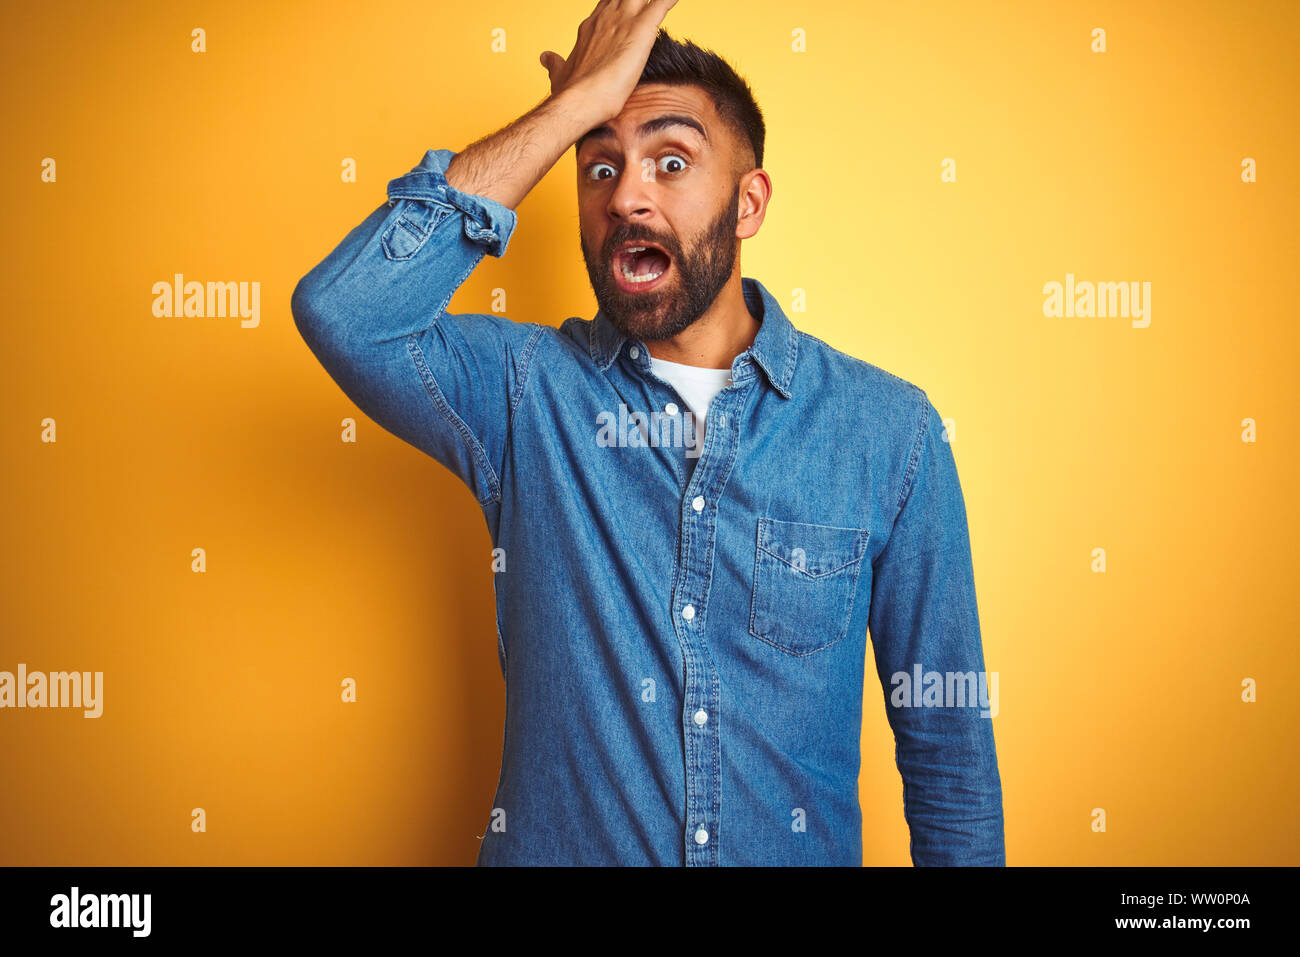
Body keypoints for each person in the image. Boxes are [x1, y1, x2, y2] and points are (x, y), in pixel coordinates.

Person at [291, 0, 1005, 866]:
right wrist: (568, 110)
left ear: (748, 204)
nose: (627, 195)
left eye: (671, 162)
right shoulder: (525, 393)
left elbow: (950, 758)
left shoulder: (891, 435)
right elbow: (347, 312)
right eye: (599, 168)